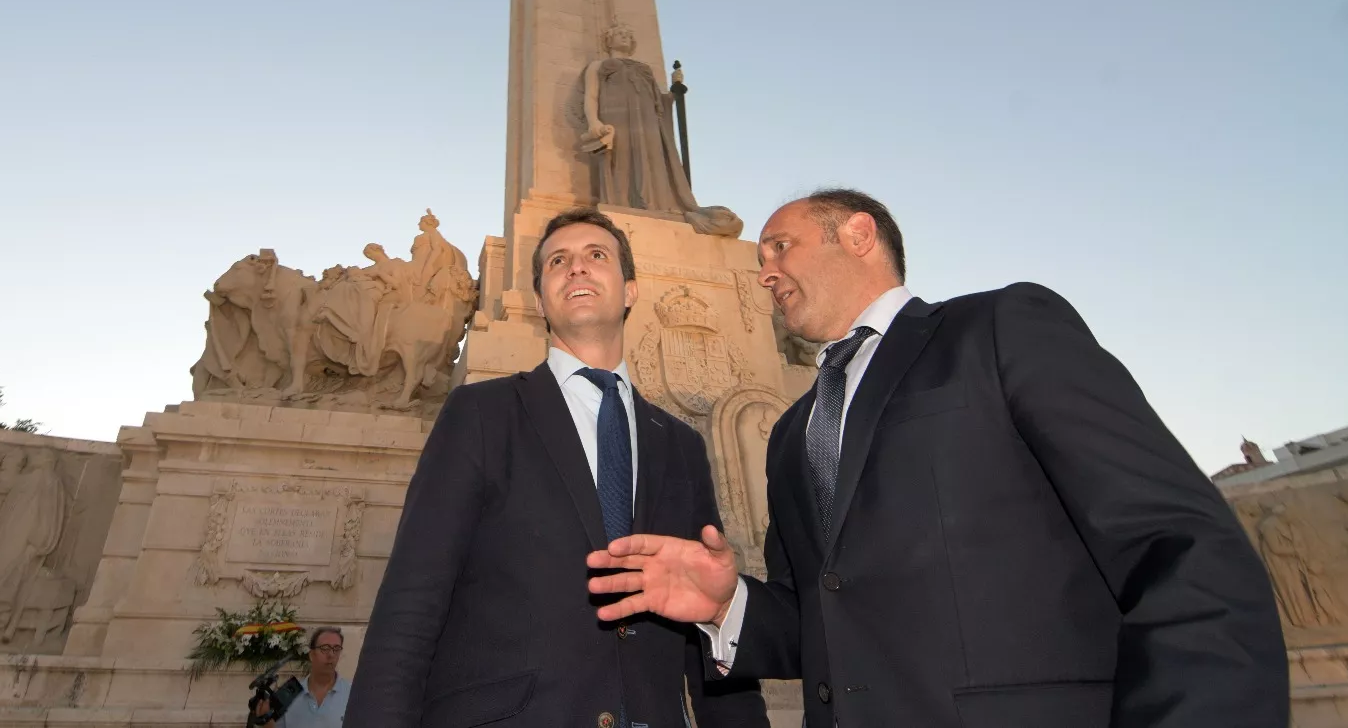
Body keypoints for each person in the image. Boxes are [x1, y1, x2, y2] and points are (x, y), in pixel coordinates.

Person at [586, 189, 1288, 727]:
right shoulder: (791, 430)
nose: (763, 272)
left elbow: (1180, 548)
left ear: (859, 235)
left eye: (779, 247)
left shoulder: (997, 330)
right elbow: (824, 616)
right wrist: (728, 605)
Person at [346, 208, 766, 728]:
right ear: (542, 298)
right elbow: (410, 603)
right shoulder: (481, 414)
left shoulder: (680, 444)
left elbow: (705, 617)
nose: (577, 269)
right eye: (558, 262)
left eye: (597, 256)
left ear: (631, 289)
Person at [264, 625, 349, 728]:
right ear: (312, 655)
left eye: (336, 648)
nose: (331, 654)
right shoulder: (289, 695)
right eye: (325, 648)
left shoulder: (352, 693)